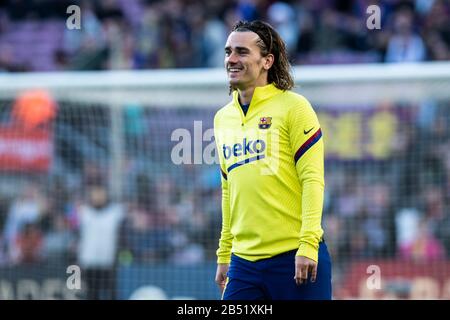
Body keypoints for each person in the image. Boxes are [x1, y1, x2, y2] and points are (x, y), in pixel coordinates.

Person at [213, 20, 331, 300]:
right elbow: (229, 190)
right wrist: (224, 251)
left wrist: (308, 244)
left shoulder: (294, 107)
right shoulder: (222, 119)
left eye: (242, 52)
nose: (231, 59)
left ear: (267, 61)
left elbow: (312, 179)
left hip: (293, 257)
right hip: (243, 264)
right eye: (228, 51)